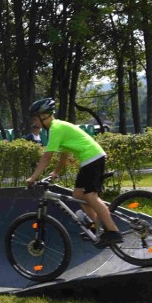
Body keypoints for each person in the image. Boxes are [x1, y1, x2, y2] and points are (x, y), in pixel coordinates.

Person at [25, 98, 123, 248]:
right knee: (78, 194)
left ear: (43, 116)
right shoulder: (59, 127)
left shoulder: (56, 128)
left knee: (91, 195)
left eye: (35, 119)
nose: (35, 123)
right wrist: (55, 172)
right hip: (90, 159)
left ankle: (113, 231)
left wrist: (33, 177)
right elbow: (64, 154)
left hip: (92, 158)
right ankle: (97, 226)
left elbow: (47, 156)